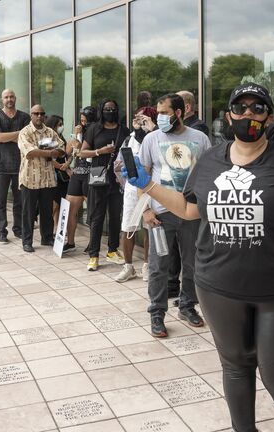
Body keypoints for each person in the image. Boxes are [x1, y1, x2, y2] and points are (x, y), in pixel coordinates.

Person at [125, 83, 274, 431]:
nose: (248, 114)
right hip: (219, 286)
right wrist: (148, 186)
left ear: (269, 116)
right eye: (241, 107)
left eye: (257, 108)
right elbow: (190, 210)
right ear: (229, 114)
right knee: (235, 367)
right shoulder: (209, 161)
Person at [139, 93, 210, 331]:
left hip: (191, 212)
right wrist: (146, 210)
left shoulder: (199, 138)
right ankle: (157, 312)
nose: (159, 118)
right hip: (160, 214)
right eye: (158, 113)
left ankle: (188, 305)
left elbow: (207, 174)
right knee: (159, 265)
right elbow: (143, 177)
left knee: (192, 264)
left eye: (164, 113)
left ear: (179, 113)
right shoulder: (150, 139)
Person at [81, 98, 130, 271]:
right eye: (107, 108)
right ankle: (93, 255)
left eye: (113, 108)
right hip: (98, 176)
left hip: (118, 179)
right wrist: (99, 151)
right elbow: (81, 152)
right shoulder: (94, 128)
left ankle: (112, 250)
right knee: (97, 217)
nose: (110, 111)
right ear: (102, 110)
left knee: (116, 216)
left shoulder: (124, 130)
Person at [113, 106, 156, 283]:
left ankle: (147, 265)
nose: (139, 122)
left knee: (149, 229)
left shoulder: (155, 138)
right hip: (132, 189)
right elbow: (118, 162)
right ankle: (128, 266)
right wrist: (121, 167)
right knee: (128, 228)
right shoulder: (128, 139)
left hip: (152, 189)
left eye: (143, 118)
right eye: (137, 118)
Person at [17, 105, 66, 252]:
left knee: (47, 211)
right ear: (31, 115)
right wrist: (51, 152)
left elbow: (62, 148)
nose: (39, 116)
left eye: (42, 114)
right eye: (36, 113)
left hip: (48, 178)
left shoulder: (50, 131)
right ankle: (27, 241)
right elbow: (30, 152)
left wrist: (49, 151)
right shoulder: (24, 132)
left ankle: (47, 238)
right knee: (28, 212)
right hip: (29, 179)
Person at [0, 89, 30, 243]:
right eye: (6, 97)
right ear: (2, 100)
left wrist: (9, 136)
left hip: (21, 165)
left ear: (15, 98)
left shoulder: (24, 117)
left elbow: (27, 139)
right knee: (0, 201)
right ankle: (1, 231)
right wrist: (19, 134)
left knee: (20, 200)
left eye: (11, 96)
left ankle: (18, 229)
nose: (9, 99)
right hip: (1, 165)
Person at [64, 107, 97, 251]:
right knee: (70, 208)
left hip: (93, 173)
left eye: (86, 121)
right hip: (78, 173)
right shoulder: (78, 134)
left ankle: (93, 242)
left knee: (93, 211)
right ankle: (70, 241)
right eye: (81, 121)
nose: (83, 124)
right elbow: (68, 153)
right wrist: (73, 141)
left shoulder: (97, 132)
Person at [45, 115, 71, 234]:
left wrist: (68, 164)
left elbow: (66, 155)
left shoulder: (61, 138)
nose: (61, 127)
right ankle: (48, 228)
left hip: (63, 175)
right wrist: (61, 167)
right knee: (54, 204)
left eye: (62, 124)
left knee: (60, 203)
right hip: (53, 174)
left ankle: (57, 227)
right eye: (59, 124)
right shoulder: (47, 139)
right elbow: (47, 158)